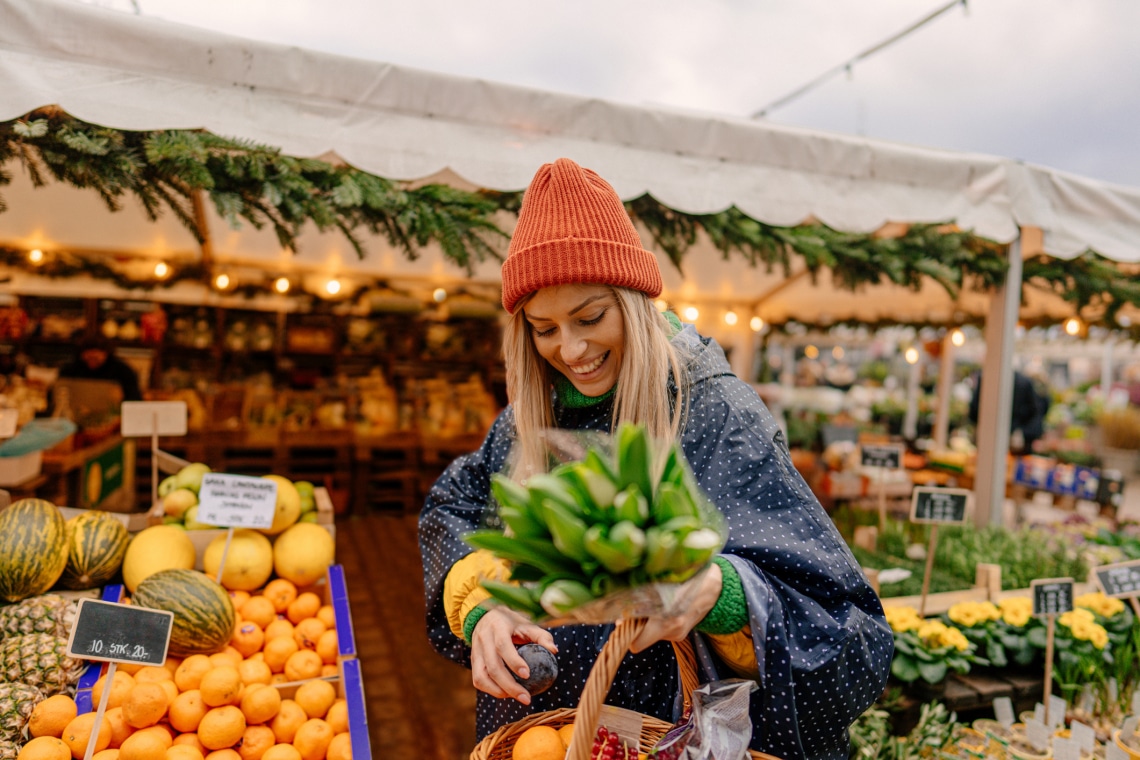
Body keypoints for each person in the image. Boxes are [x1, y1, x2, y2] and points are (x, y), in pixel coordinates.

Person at [420, 158, 892, 760]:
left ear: (633, 301)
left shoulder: (716, 412)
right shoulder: (527, 419)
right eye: (543, 328)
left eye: (591, 317)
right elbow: (454, 505)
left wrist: (718, 593)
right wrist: (480, 607)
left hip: (663, 736)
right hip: (541, 733)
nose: (571, 348)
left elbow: (847, 629)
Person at [968, 370, 1048, 453]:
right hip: (992, 442)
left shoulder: (1023, 383)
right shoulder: (986, 379)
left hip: (1012, 447)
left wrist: (1022, 433)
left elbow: (1036, 416)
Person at [58, 336, 143, 402]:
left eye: (96, 354)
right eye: (87, 353)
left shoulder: (123, 370)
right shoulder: (70, 369)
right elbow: (58, 393)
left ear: (106, 353)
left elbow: (134, 399)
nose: (91, 356)